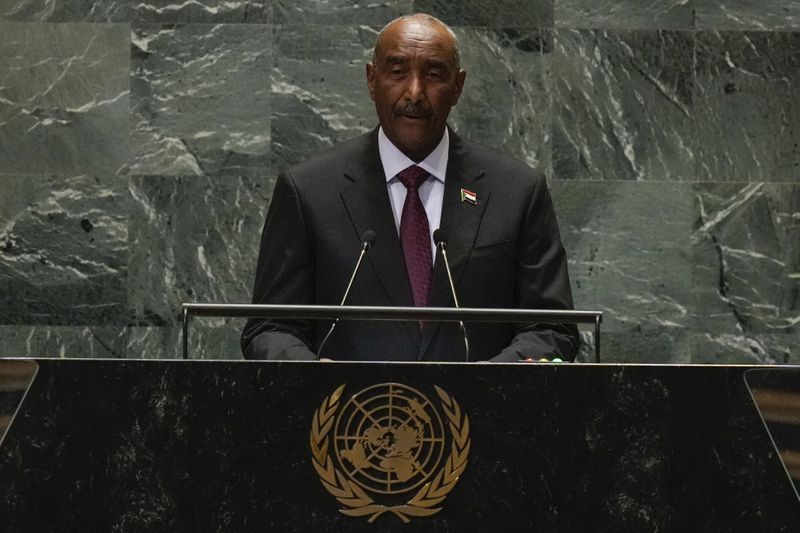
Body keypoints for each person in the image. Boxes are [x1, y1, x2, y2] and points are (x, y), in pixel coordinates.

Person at [241, 13, 579, 362]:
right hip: (348, 413)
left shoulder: (517, 192)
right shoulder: (309, 191)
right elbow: (270, 328)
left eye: (433, 74)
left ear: (458, 87)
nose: (415, 93)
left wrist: (484, 384)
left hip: (482, 412)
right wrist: (318, 378)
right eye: (398, 71)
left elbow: (551, 328)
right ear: (372, 80)